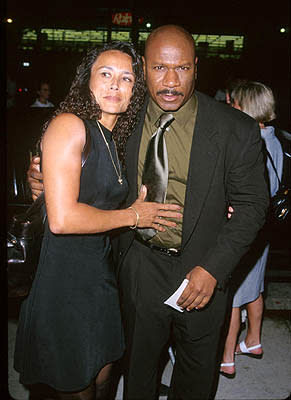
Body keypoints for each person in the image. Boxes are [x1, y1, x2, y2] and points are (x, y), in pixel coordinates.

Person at [27, 25, 269, 400]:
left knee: (197, 375)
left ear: (196, 67)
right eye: (158, 68)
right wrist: (42, 178)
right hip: (137, 265)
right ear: (143, 67)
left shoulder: (235, 128)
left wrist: (214, 269)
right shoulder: (124, 114)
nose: (171, 81)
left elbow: (254, 206)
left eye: (183, 69)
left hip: (203, 267)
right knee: (136, 373)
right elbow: (79, 157)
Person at [14, 41, 182, 400]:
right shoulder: (69, 125)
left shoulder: (114, 137)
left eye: (126, 78)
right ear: (86, 81)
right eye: (105, 74)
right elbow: (62, 218)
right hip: (65, 283)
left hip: (100, 278)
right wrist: (134, 215)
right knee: (78, 387)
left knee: (105, 379)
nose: (114, 85)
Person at [220, 81, 284, 379]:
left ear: (245, 107)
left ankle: (226, 358)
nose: (230, 106)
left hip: (247, 228)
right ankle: (253, 340)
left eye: (235, 103)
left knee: (233, 295)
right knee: (254, 288)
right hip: (264, 230)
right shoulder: (274, 138)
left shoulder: (250, 142)